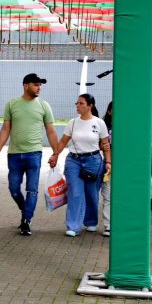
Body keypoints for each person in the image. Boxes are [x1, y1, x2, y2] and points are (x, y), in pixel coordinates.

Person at [0, 73, 59, 236]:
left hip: (34, 154)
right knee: (13, 188)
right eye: (36, 84)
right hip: (14, 154)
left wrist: (56, 153)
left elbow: (51, 131)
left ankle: (26, 221)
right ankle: (25, 210)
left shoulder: (44, 106)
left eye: (40, 85)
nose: (39, 88)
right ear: (26, 85)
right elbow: (5, 129)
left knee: (32, 190)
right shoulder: (12, 104)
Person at [52, 94, 111, 237]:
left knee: (92, 194)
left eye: (81, 103)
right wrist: (55, 155)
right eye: (76, 103)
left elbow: (105, 144)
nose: (77, 106)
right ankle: (73, 226)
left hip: (93, 160)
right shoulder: (72, 122)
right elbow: (63, 142)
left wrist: (108, 162)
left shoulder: (99, 123)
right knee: (75, 192)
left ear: (90, 106)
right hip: (74, 161)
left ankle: (91, 221)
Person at [100, 102, 113, 236]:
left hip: (123, 166)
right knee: (108, 195)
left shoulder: (127, 127)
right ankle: (108, 224)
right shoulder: (102, 126)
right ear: (109, 111)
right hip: (107, 165)